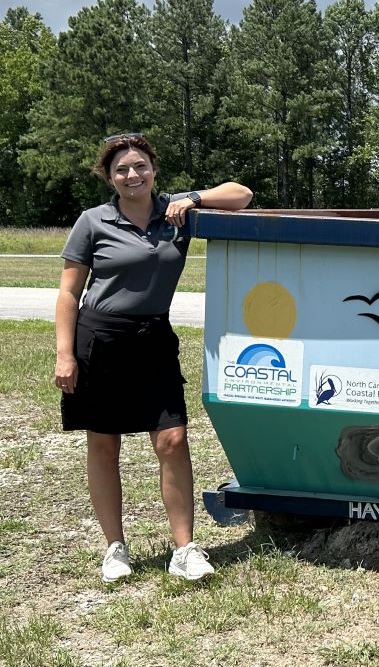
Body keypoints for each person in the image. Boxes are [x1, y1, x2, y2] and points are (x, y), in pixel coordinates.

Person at [54, 133, 254, 583]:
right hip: (99, 340)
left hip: (153, 339)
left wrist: (193, 197)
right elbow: (69, 291)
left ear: (153, 169)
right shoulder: (93, 221)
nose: (132, 175)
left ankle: (184, 549)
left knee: (172, 440)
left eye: (140, 166)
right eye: (121, 169)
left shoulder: (177, 214)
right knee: (104, 446)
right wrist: (65, 353)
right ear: (109, 177)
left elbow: (242, 195)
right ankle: (115, 549)